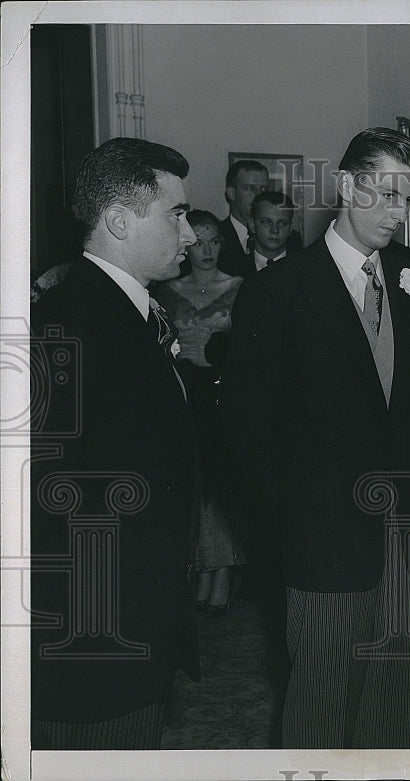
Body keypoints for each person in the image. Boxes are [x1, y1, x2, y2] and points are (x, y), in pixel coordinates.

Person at [224, 127, 410, 749]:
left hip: (399, 526)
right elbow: (246, 431)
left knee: (390, 693)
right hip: (322, 532)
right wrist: (293, 521)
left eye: (407, 199)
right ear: (345, 186)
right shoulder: (278, 291)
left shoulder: (405, 278)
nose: (397, 213)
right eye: (386, 194)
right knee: (323, 702)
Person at [31, 137, 199, 749]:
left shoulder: (135, 314)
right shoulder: (68, 324)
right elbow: (41, 497)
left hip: (136, 622)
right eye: (175, 214)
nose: (192, 236)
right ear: (119, 221)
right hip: (94, 641)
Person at [154, 210, 244, 615]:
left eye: (214, 241)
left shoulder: (241, 287)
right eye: (199, 241)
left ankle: (223, 572)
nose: (206, 250)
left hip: (225, 396)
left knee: (221, 483)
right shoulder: (166, 290)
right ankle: (202, 570)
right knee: (191, 482)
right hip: (183, 394)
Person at [217, 160, 302, 276]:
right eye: (250, 188)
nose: (259, 195)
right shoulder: (216, 236)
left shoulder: (292, 239)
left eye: (264, 189)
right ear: (231, 193)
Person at [249, 191, 298, 269]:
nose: (275, 230)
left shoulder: (305, 268)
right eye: (266, 222)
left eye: (282, 223)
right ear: (252, 225)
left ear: (290, 228)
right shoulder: (231, 270)